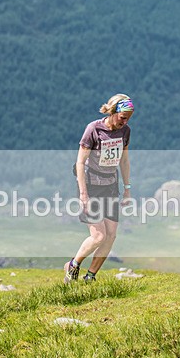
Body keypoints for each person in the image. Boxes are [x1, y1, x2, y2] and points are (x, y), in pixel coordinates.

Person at [64, 94, 133, 283]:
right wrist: (83, 194)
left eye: (129, 118)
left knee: (111, 235)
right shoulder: (93, 129)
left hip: (111, 186)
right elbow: (80, 162)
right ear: (113, 112)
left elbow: (124, 160)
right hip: (91, 186)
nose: (125, 121)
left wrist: (127, 189)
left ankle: (90, 276)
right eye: (123, 117)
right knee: (98, 236)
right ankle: (73, 265)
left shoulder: (125, 131)